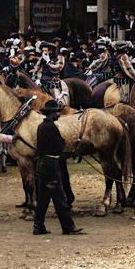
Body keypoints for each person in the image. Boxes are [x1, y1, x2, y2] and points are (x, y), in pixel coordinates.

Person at [33, 101, 83, 235]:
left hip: (44, 163)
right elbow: (59, 145)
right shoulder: (50, 127)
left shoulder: (42, 126)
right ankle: (68, 226)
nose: (59, 114)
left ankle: (38, 226)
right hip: (51, 163)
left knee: (43, 198)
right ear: (51, 113)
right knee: (60, 197)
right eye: (57, 112)